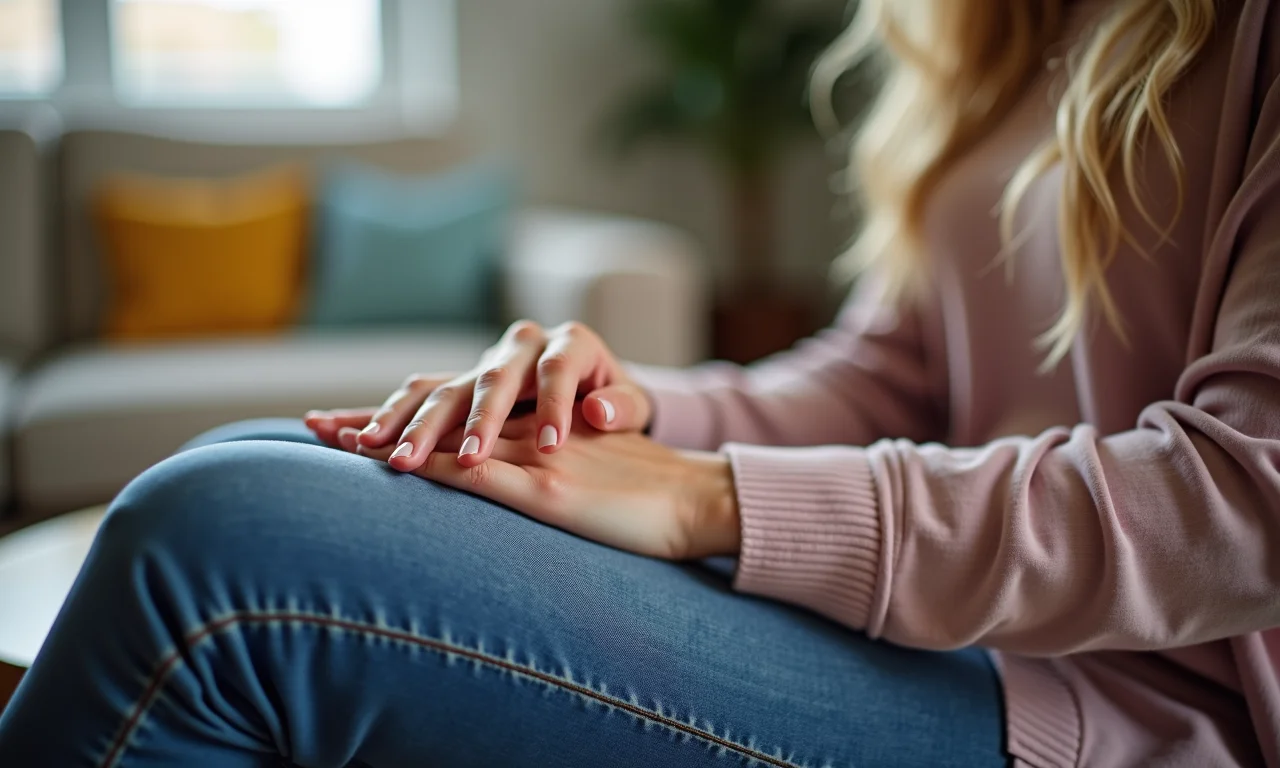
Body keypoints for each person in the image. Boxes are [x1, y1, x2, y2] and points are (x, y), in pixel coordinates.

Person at [3, 0, 1278, 764]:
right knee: (256, 456)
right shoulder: (1010, 34)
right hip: (956, 634)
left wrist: (703, 497)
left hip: (1127, 716)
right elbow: (887, 383)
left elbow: (1242, 496)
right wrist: (625, 411)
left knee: (218, 547)